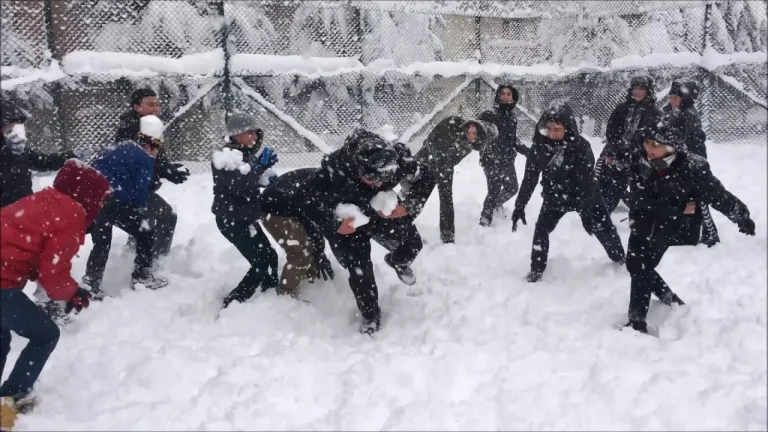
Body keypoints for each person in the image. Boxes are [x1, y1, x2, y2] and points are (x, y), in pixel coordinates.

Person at [0, 160, 110, 429]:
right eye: (101, 200)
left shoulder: (45, 199)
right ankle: (11, 398)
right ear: (89, 196)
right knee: (46, 335)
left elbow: (32, 248)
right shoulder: (72, 215)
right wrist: (73, 292)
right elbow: (53, 273)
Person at [622, 126, 755, 335]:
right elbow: (638, 198)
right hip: (642, 220)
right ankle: (670, 299)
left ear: (672, 146)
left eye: (655, 144)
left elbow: (716, 194)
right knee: (633, 265)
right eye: (647, 142)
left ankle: (637, 322)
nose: (649, 149)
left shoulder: (693, 167)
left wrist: (741, 215)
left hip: (672, 226)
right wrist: (678, 207)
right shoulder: (639, 159)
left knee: (642, 268)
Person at [294, 129, 427, 335]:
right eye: (371, 179)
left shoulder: (396, 158)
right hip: (351, 220)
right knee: (359, 269)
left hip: (382, 212)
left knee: (413, 243)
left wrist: (409, 206)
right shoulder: (334, 169)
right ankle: (370, 315)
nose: (378, 184)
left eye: (383, 179)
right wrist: (336, 224)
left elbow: (426, 176)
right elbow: (306, 199)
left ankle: (398, 261)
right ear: (358, 168)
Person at [512, 101, 625, 282]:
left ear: (567, 127)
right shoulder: (539, 147)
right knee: (541, 230)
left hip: (585, 195)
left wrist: (587, 211)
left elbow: (587, 181)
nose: (552, 133)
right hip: (555, 196)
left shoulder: (581, 146)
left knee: (603, 228)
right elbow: (529, 179)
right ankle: (537, 269)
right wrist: (520, 206)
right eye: (548, 128)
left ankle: (619, 257)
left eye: (557, 129)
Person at [83, 115, 169, 297]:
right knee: (145, 232)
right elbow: (139, 194)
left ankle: (91, 284)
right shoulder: (145, 158)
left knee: (101, 244)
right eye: (157, 150)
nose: (157, 154)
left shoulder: (122, 147)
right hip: (112, 202)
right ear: (150, 145)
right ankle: (142, 275)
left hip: (93, 200)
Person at [212, 113, 279, 309]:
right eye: (249, 133)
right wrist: (259, 166)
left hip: (245, 218)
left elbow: (248, 181)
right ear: (235, 135)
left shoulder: (245, 154)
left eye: (256, 133)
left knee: (270, 255)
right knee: (260, 262)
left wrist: (265, 178)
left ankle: (271, 290)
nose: (254, 138)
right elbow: (237, 185)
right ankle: (234, 301)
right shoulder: (226, 156)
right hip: (231, 219)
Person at [118, 88, 189, 260]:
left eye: (157, 104)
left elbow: (154, 156)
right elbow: (142, 158)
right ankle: (155, 262)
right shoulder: (134, 128)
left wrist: (166, 167)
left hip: (136, 187)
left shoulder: (147, 124)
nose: (156, 108)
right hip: (131, 189)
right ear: (136, 107)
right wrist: (165, 169)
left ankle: (130, 258)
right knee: (165, 217)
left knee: (144, 223)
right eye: (150, 104)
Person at [409, 116, 497, 243]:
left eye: (475, 135)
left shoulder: (468, 145)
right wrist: (439, 165)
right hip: (424, 161)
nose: (470, 133)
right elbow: (431, 142)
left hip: (441, 169)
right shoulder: (452, 122)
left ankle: (447, 238)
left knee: (443, 200)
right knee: (413, 191)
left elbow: (450, 159)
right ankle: (397, 223)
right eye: (472, 129)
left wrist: (443, 167)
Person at [260, 168, 335, 299]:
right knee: (300, 253)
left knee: (308, 248)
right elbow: (311, 221)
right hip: (276, 212)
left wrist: (318, 251)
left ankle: (310, 283)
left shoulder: (327, 176)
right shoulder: (322, 185)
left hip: (283, 207)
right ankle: (286, 295)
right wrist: (320, 253)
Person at [664, 80, 719, 247]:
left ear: (684, 98)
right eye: (670, 96)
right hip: (678, 161)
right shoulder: (672, 112)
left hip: (694, 160)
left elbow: (687, 141)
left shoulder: (689, 115)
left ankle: (710, 233)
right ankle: (685, 230)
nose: (671, 100)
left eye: (675, 97)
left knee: (698, 197)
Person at [596, 75, 662, 213]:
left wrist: (637, 151)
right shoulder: (622, 108)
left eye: (641, 88)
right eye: (635, 88)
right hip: (618, 153)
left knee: (639, 194)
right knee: (603, 180)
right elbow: (612, 132)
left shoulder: (655, 114)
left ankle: (632, 203)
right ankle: (602, 207)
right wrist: (612, 151)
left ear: (648, 90)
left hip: (639, 159)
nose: (637, 92)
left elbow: (655, 140)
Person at [1, 98, 78, 208]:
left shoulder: (18, 149)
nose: (15, 130)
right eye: (10, 125)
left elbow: (43, 161)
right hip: (5, 215)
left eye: (18, 124)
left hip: (25, 208)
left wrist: (67, 157)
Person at [477, 84, 531, 227]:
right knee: (493, 189)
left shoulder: (513, 118)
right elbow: (478, 134)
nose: (506, 97)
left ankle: (494, 205)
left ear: (513, 98)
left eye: (509, 94)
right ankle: (485, 217)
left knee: (512, 188)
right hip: (491, 160)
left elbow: (513, 140)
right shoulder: (489, 115)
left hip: (507, 160)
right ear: (498, 96)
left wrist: (528, 152)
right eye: (503, 94)